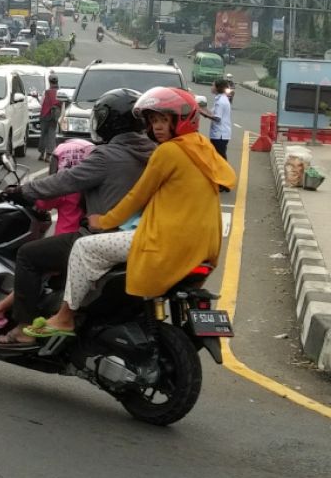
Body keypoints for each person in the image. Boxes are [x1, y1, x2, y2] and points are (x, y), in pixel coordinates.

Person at [26, 87, 236, 337]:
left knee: (84, 248)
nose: (157, 127)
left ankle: (64, 318)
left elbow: (137, 197)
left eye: (164, 121)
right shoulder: (202, 146)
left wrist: (105, 221)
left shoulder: (168, 152)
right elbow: (229, 177)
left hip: (167, 240)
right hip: (206, 245)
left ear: (180, 121)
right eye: (154, 121)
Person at [0, 89, 157, 344]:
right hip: (142, 236)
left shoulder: (105, 157)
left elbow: (63, 181)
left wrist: (21, 191)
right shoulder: (155, 152)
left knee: (29, 255)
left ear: (110, 121)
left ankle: (24, 327)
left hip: (101, 238)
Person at [37, 74, 61, 161]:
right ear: (57, 82)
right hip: (54, 116)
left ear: (49, 82)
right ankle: (48, 155)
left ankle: (41, 153)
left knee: (43, 134)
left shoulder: (46, 92)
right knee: (51, 134)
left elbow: (41, 103)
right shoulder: (60, 92)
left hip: (45, 115)